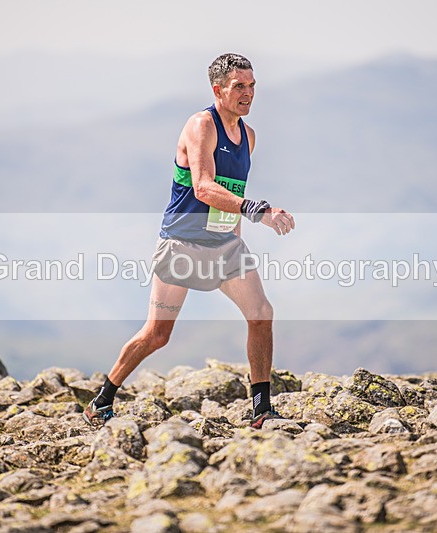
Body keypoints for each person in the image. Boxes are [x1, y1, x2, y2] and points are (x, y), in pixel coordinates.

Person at [84, 53, 296, 429]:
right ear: (218, 90)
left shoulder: (248, 136)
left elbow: (231, 192)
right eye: (239, 87)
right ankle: (102, 400)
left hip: (224, 245)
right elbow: (203, 186)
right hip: (181, 244)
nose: (248, 94)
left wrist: (236, 239)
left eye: (252, 86)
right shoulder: (201, 125)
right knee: (157, 334)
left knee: (261, 314)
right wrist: (257, 209)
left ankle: (261, 409)